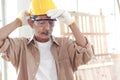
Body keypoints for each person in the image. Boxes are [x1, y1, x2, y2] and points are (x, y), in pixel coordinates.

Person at [0, 0, 94, 80]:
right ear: (31, 23)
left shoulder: (64, 45)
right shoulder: (20, 46)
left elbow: (85, 52)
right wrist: (17, 22)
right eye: (42, 23)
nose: (47, 28)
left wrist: (71, 23)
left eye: (51, 22)